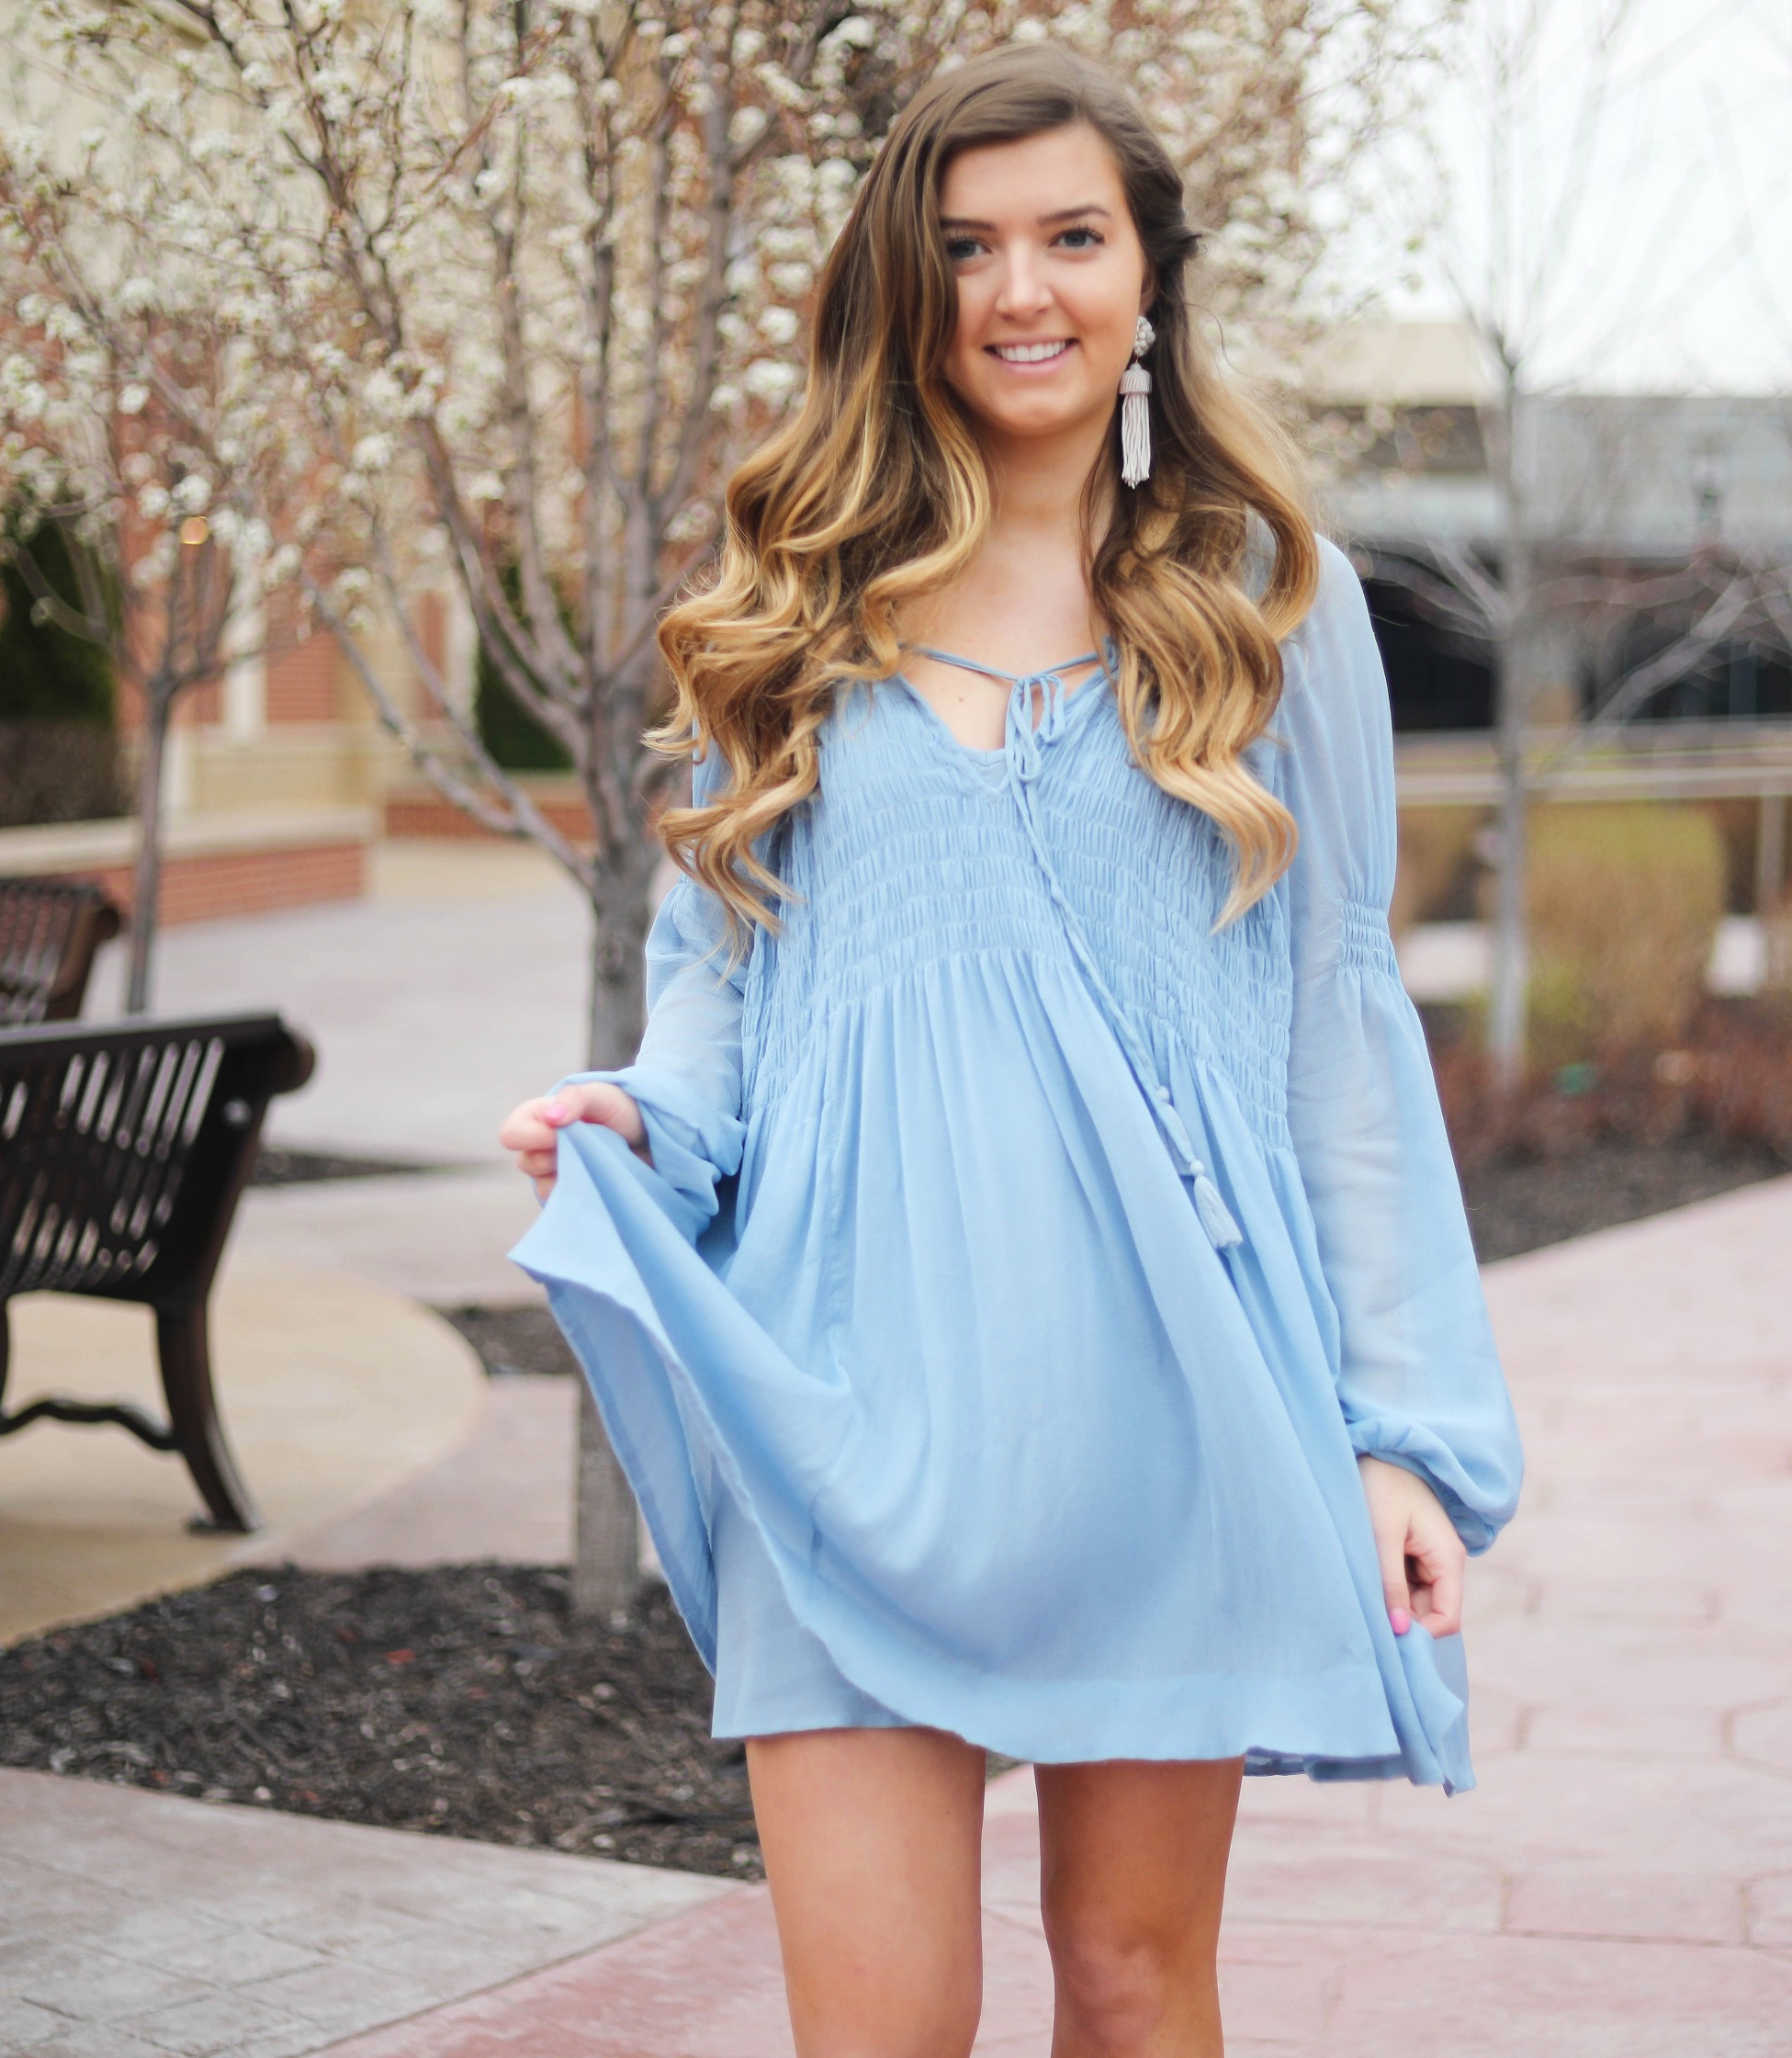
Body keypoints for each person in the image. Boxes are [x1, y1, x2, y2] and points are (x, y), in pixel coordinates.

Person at [498, 44, 1520, 2058]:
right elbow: (725, 973)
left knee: (1138, 1990)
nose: (1020, 289)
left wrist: (1398, 1424)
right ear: (907, 281)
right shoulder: (785, 607)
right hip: (854, 1394)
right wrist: (638, 1109)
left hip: (1169, 1402)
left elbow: (1338, 1015)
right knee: (874, 2028)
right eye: (965, 246)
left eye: (1072, 236)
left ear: (1151, 280)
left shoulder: (1262, 607)